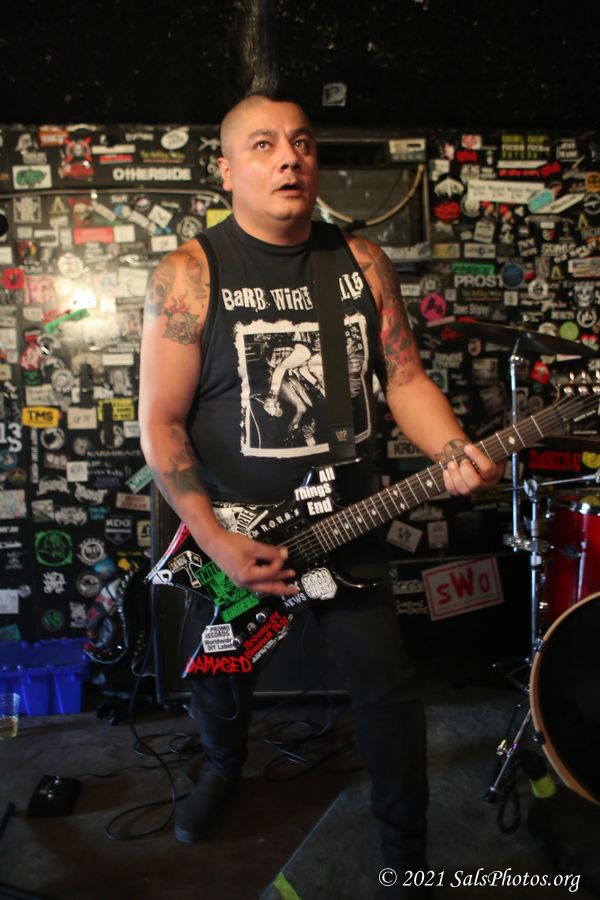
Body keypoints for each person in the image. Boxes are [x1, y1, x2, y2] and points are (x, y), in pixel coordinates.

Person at [139, 94, 503, 886]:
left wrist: (452, 447)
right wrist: (213, 538)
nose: (289, 157)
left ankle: (406, 856)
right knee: (220, 677)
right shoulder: (190, 273)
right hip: (234, 527)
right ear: (227, 170)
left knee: (386, 689)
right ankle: (221, 770)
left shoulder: (361, 261)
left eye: (302, 142)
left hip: (348, 520)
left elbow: (404, 379)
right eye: (264, 144)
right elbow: (160, 423)